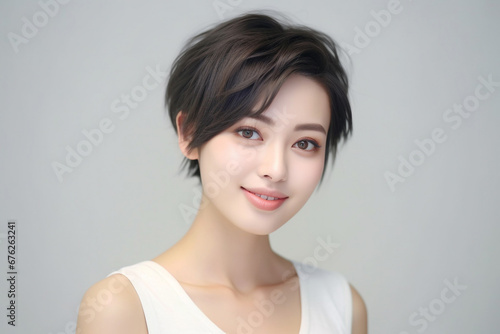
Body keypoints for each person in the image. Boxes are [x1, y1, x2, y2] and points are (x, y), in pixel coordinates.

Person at [76, 11, 367, 334]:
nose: (276, 169)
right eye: (248, 132)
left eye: (305, 143)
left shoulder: (342, 305)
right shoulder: (124, 307)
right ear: (189, 134)